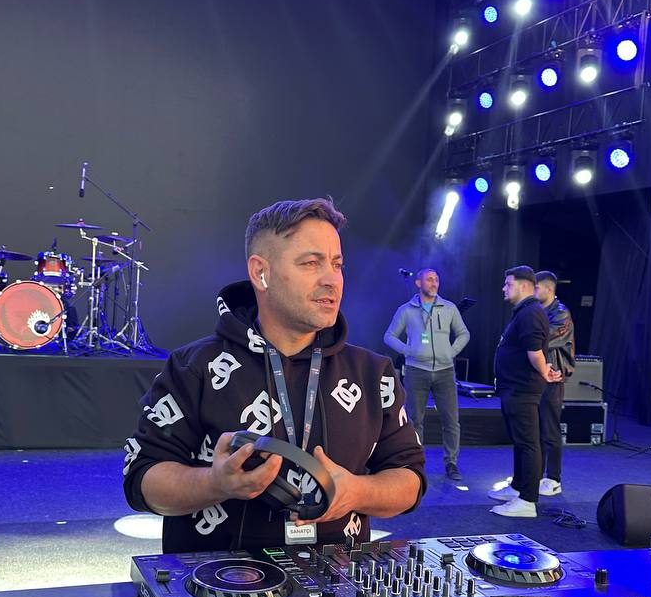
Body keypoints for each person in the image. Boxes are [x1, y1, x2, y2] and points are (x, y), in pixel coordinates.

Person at [123, 198, 426, 552]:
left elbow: (410, 479)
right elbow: (142, 479)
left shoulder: (373, 373)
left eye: (337, 264)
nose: (332, 280)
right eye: (311, 263)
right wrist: (214, 484)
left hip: (338, 580)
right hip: (215, 580)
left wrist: (355, 491)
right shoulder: (194, 367)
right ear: (260, 273)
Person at [488, 265, 562, 518]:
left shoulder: (531, 313)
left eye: (508, 284)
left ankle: (527, 500)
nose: (504, 288)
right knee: (521, 442)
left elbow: (535, 351)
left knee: (529, 443)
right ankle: (518, 487)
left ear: (523, 286)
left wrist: (544, 371)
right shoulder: (524, 311)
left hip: (523, 389)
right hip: (514, 388)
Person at [383, 269, 470, 481]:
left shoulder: (449, 308)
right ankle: (416, 462)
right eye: (429, 279)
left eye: (436, 279)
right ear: (418, 283)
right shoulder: (406, 310)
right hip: (416, 371)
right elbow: (389, 336)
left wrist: (451, 352)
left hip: (445, 371)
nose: (434, 283)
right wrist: (408, 351)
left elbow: (464, 334)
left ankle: (451, 463)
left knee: (451, 420)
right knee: (414, 420)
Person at [534, 270, 575, 495]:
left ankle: (553, 478)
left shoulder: (560, 313)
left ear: (549, 289)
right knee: (537, 429)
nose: (532, 292)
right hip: (537, 376)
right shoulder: (538, 311)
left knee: (550, 428)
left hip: (553, 376)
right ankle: (536, 475)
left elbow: (542, 338)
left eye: (536, 288)